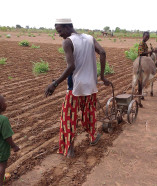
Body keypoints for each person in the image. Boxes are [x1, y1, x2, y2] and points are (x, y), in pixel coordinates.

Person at [45, 18, 111, 158]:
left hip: (75, 87)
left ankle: (69, 149)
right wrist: (102, 77)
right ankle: (93, 137)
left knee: (68, 118)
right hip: (91, 86)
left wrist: (55, 83)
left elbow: (71, 67)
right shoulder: (89, 38)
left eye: (60, 31)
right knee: (89, 113)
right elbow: (103, 53)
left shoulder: (68, 42)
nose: (60, 34)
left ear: (68, 27)